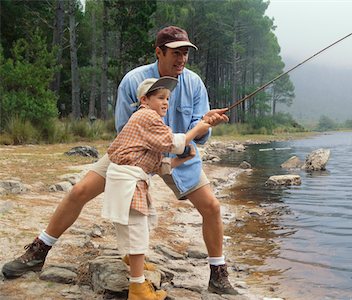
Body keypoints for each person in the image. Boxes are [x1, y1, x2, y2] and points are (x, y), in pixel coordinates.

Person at [2, 25, 238, 295]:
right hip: (133, 155)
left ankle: (217, 274)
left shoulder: (194, 83)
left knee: (212, 207)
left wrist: (207, 123)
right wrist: (163, 151)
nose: (181, 59)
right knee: (79, 191)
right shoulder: (133, 81)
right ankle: (39, 250)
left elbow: (198, 133)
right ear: (158, 52)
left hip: (177, 155)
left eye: (185, 52)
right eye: (175, 53)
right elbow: (124, 130)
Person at [103, 76, 210, 299]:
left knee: (128, 227)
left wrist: (181, 159)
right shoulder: (146, 116)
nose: (165, 103)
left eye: (168, 99)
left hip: (125, 178)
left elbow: (160, 165)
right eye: (160, 97)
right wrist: (197, 129)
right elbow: (172, 143)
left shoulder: (147, 124)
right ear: (144, 100)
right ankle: (137, 288)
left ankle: (133, 263)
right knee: (137, 229)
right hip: (128, 180)